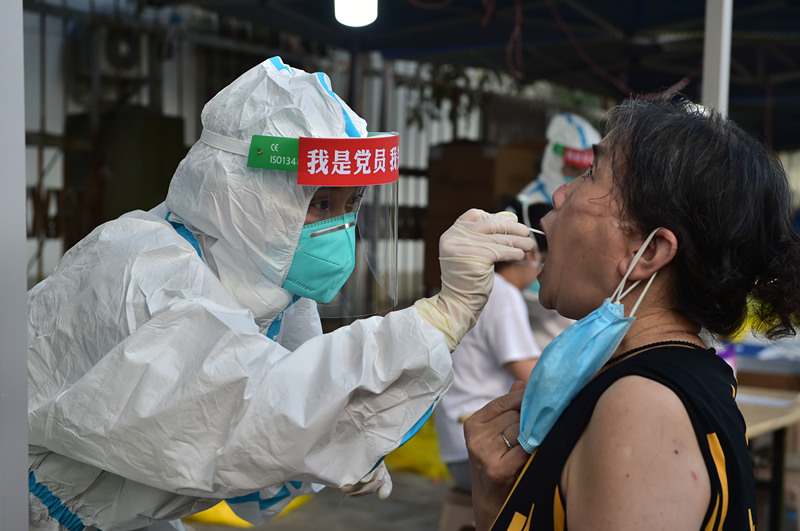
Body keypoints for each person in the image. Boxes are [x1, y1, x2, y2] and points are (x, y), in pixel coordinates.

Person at [27, 56, 534, 531]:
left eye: (351, 204)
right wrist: (440, 317)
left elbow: (272, 438)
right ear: (243, 194)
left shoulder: (268, 291)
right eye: (320, 204)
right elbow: (242, 419)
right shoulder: (145, 269)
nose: (339, 228)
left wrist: (336, 438)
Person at [464, 95, 800, 530]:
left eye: (590, 173)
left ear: (650, 251)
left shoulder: (641, 413)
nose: (559, 193)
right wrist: (495, 504)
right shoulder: (651, 383)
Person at [434, 196, 544, 495]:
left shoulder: (484, 286)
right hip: (479, 449)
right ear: (530, 255)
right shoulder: (503, 294)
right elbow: (529, 372)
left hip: (461, 445)